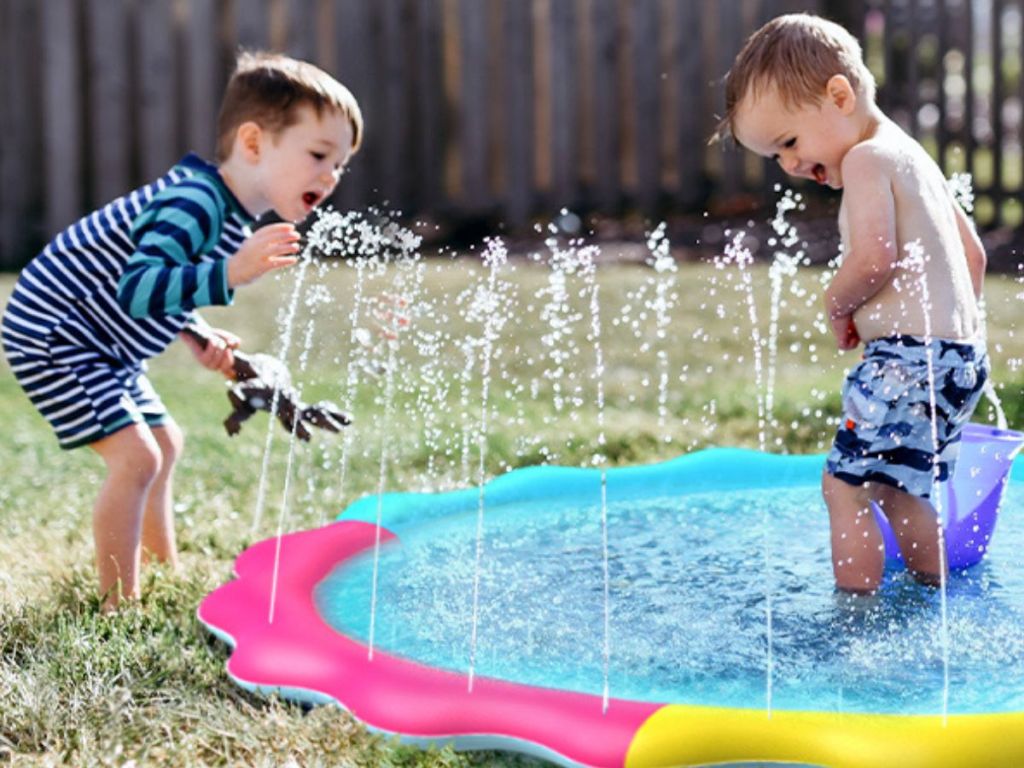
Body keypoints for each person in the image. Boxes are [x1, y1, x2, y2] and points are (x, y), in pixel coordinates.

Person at [1, 51, 363, 610]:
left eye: (340, 164)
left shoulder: (227, 211)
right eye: (318, 154)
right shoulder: (194, 205)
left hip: (102, 341)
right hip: (58, 334)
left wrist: (195, 333)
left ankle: (160, 566)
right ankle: (118, 605)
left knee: (166, 443)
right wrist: (229, 272)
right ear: (253, 143)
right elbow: (136, 289)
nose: (330, 175)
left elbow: (161, 284)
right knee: (137, 458)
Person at [716, 14, 989, 594]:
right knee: (899, 487)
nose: (789, 165)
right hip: (955, 363)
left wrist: (836, 305)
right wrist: (951, 344)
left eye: (789, 142)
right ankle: (932, 598)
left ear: (839, 95)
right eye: (775, 157)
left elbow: (874, 260)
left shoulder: (867, 159)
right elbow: (974, 258)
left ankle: (855, 619)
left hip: (905, 363)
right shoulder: (915, 158)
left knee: (845, 486)